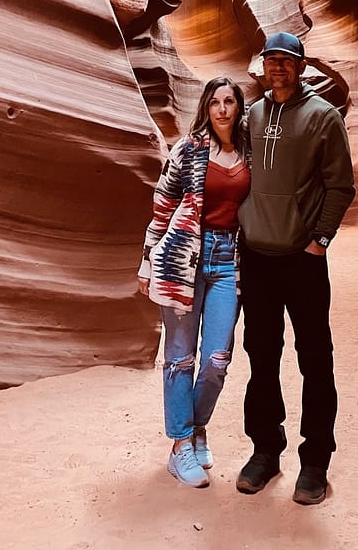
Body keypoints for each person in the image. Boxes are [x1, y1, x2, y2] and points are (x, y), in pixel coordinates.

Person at [236, 32, 355, 506]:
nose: (279, 68)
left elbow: (340, 185)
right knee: (260, 356)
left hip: (302, 261)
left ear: (302, 66)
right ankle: (265, 450)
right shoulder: (253, 116)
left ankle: (316, 460)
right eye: (272, 60)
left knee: (314, 359)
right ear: (263, 66)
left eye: (288, 61)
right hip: (257, 259)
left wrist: (320, 239)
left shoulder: (323, 117)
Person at [137, 77, 249, 488]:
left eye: (230, 102)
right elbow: (162, 206)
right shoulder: (188, 149)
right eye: (215, 102)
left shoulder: (248, 153)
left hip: (226, 262)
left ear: (238, 107)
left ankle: (196, 426)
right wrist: (147, 262)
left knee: (217, 359)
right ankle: (181, 444)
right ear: (206, 106)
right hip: (182, 258)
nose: (222, 109)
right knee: (180, 358)